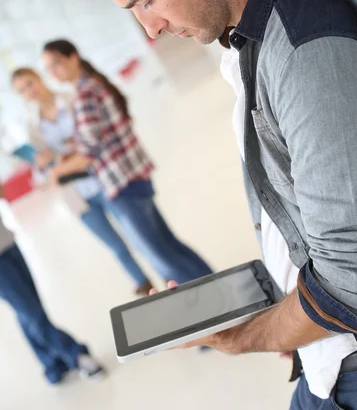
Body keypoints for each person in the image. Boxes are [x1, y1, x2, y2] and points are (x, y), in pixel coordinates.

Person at [60, 0, 357, 410]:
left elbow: (353, 282)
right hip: (321, 351)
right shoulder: (248, 36)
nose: (150, 28)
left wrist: (241, 336)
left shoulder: (310, 57)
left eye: (146, 0)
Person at [40, 40, 212, 287]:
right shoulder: (93, 84)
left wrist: (57, 171)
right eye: (49, 68)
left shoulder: (83, 95)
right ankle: (222, 289)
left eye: (56, 63)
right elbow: (100, 137)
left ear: (73, 57)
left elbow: (89, 154)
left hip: (121, 185)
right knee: (169, 246)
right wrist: (69, 154)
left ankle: (216, 304)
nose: (54, 72)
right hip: (134, 176)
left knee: (163, 258)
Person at [11, 67, 154, 297]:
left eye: (29, 84)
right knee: (116, 247)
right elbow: (45, 176)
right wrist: (42, 163)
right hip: (78, 195)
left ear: (39, 78)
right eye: (21, 91)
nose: (29, 92)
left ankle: (167, 272)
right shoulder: (32, 127)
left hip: (107, 180)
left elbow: (97, 135)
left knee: (140, 235)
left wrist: (76, 149)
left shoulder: (72, 99)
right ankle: (145, 286)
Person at [0, 183, 104, 384]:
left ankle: (52, 365)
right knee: (30, 312)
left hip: (7, 244)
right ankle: (76, 355)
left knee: (29, 310)